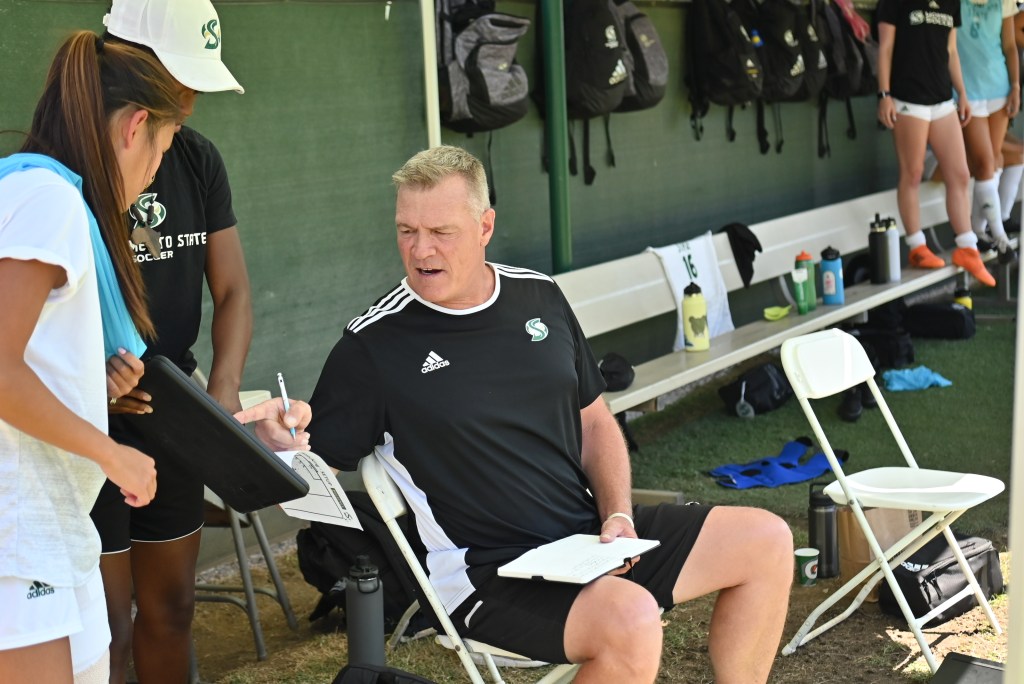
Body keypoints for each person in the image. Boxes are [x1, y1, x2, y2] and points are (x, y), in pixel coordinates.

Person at [306, 145, 794, 683]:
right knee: (630, 620)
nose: (421, 250)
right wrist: (276, 444)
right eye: (406, 230)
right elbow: (312, 472)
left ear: (485, 226)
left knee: (766, 541)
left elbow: (594, 422)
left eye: (441, 232)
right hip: (487, 574)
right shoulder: (374, 344)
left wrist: (618, 515)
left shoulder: (537, 296)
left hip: (584, 541)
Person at [81, 1, 281, 681]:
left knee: (170, 610)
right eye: (182, 78)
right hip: (84, 423)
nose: (192, 98)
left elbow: (233, 293)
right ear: (135, 71)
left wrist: (217, 401)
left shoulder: (196, 158)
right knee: (103, 631)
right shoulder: (55, 173)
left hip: (174, 415)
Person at [0, 31, 175, 684]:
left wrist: (90, 392)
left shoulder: (42, 198)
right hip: (19, 535)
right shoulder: (48, 201)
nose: (156, 172)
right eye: (163, 150)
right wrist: (113, 452)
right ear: (136, 128)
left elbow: (28, 370)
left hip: (52, 530)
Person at [877, 0, 999, 287]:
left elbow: (951, 50)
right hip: (908, 98)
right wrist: (884, 94)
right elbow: (885, 48)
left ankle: (967, 247)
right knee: (913, 173)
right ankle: (917, 246)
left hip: (943, 99)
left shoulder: (950, 2)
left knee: (959, 173)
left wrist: (963, 94)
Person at [956, 0, 1020, 261]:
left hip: (999, 89)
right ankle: (1000, 237)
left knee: (993, 162)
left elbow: (1009, 46)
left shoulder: (1004, 1)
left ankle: (978, 229)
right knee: (984, 163)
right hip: (966, 92)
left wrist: (1016, 86)